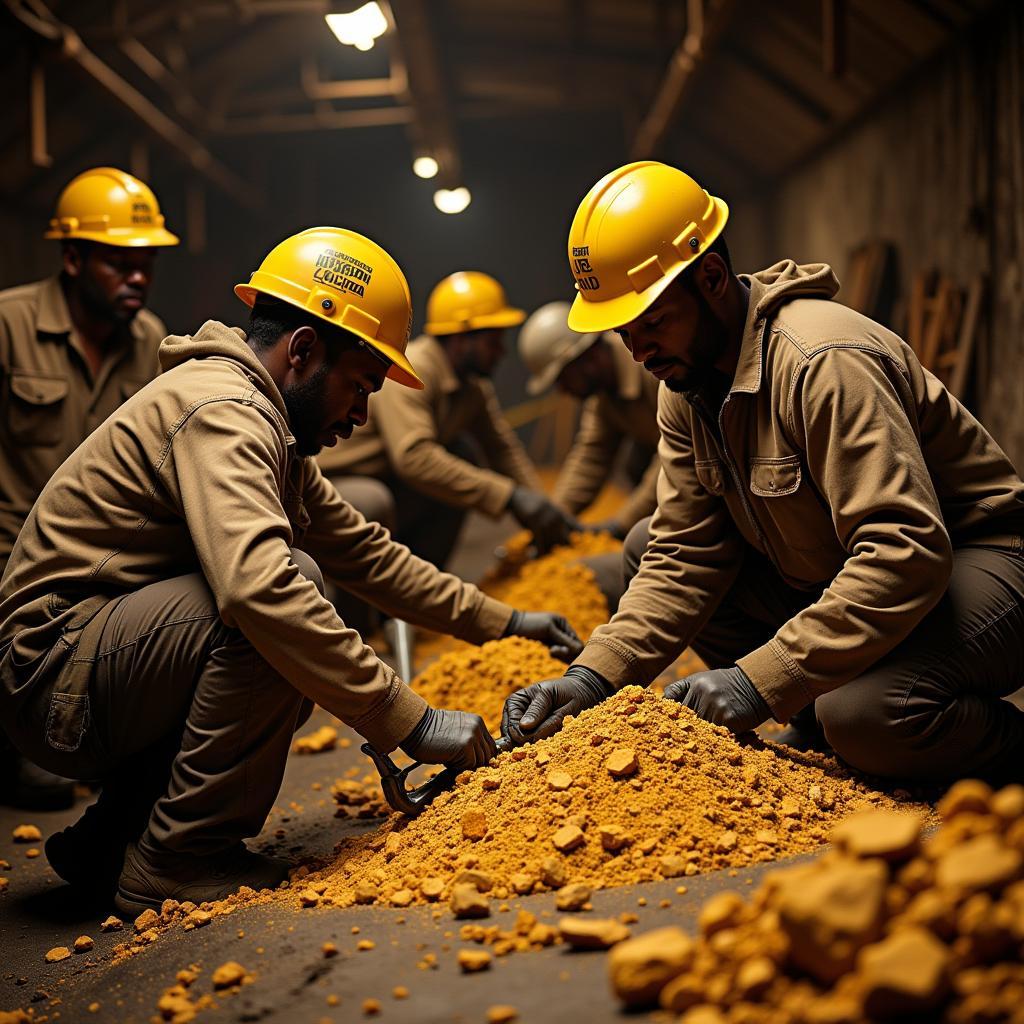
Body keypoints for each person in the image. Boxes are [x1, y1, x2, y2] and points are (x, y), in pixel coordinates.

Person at [0, 227, 581, 915]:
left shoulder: (264, 423)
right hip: (54, 681)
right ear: (303, 351)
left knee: (288, 595)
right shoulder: (226, 412)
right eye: (359, 386)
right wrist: (412, 721)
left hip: (88, 660)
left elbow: (365, 553)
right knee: (283, 594)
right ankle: (178, 858)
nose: (363, 415)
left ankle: (109, 839)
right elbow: (260, 587)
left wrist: (507, 621)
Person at [501, 160, 1024, 786]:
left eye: (653, 323)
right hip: (851, 569)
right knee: (642, 546)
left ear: (713, 278)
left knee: (865, 715)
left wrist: (759, 680)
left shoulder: (823, 362)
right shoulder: (686, 385)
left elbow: (904, 551)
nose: (639, 353)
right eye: (623, 333)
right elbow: (681, 554)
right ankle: (819, 724)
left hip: (981, 561)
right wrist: (591, 676)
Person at [0, 166, 179, 810]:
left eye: (146, 261)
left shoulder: (150, 340)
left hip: (103, 563)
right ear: (73, 258)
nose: (138, 275)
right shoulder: (8, 326)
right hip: (10, 566)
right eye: (118, 261)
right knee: (47, 787)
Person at [319, 271, 579, 566]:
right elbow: (413, 457)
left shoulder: (473, 387)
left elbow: (500, 448)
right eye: (493, 342)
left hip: (393, 482)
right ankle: (362, 607)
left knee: (461, 458)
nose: (501, 352)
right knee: (372, 499)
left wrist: (539, 506)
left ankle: (419, 589)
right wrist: (509, 497)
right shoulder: (417, 369)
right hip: (340, 481)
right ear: (460, 339)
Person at [518, 300, 661, 606]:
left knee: (640, 466)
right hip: (673, 465)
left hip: (715, 466)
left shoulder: (650, 367)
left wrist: (619, 526)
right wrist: (558, 517)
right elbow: (592, 456)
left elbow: (675, 456)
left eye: (561, 379)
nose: (562, 391)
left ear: (586, 358)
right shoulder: (605, 395)